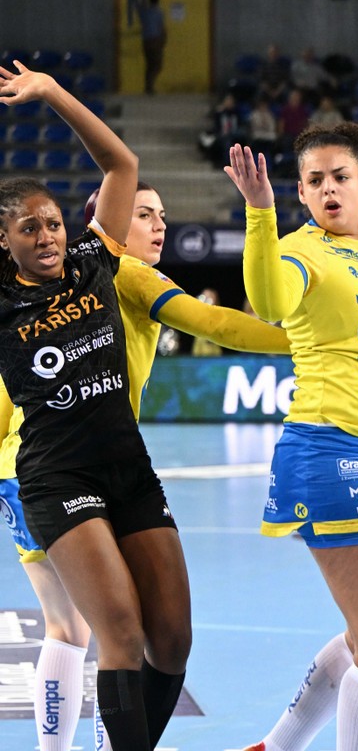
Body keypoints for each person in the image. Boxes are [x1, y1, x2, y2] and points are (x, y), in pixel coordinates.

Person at [0, 181, 290, 750]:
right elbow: (215, 323)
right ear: (104, 224)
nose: (159, 226)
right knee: (93, 631)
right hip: (48, 469)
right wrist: (311, 341)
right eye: (143, 214)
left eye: (162, 214)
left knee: (77, 627)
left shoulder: (60, 287)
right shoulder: (124, 272)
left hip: (38, 463)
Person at [0, 61, 187, 750]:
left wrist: (52, 93)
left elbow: (121, 163)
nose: (46, 236)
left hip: (128, 469)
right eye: (28, 228)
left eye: (52, 222)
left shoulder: (92, 260)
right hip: (58, 477)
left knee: (172, 641)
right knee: (121, 635)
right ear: (4, 241)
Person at [224, 122, 358, 751]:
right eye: (315, 181)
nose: (329, 189)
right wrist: (260, 213)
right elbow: (269, 302)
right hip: (333, 450)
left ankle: (274, 748)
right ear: (302, 194)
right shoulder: (301, 250)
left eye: (340, 176)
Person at [137, 0, 167, 95]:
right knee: (157, 65)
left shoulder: (144, 12)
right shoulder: (159, 12)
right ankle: (150, 86)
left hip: (146, 41)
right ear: (158, 1)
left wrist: (142, 1)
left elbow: (139, 6)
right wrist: (163, 40)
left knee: (149, 64)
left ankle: (148, 86)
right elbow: (161, 27)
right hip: (155, 40)